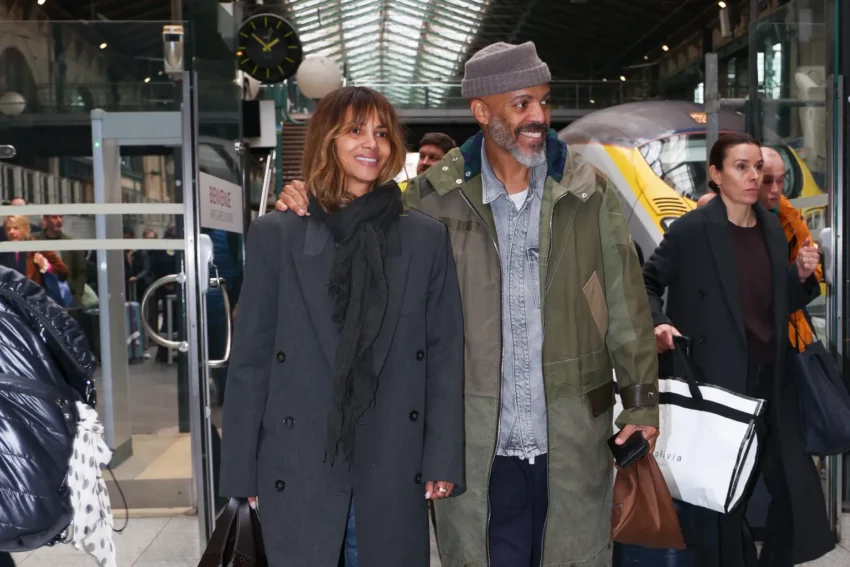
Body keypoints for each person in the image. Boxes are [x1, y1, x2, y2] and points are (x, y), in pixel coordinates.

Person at [276, 42, 660, 567]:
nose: (539, 117)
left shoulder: (589, 193)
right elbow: (355, 232)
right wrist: (309, 201)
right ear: (481, 111)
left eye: (544, 103)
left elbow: (627, 306)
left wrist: (640, 404)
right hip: (472, 443)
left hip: (573, 438)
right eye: (522, 104)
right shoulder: (427, 201)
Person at [219, 86, 465, 567]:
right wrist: (241, 470)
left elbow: (444, 354)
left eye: (381, 133)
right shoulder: (279, 234)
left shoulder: (424, 238)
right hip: (299, 458)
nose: (371, 143)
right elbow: (251, 360)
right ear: (327, 140)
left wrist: (442, 457)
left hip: (392, 459)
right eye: (355, 130)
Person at [642, 132, 833, 566]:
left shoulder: (768, 225)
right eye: (741, 167)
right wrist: (660, 321)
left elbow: (774, 300)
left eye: (757, 168)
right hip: (717, 378)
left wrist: (802, 276)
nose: (753, 176)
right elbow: (647, 280)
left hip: (772, 374)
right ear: (715, 175)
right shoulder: (692, 230)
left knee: (794, 491)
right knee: (722, 494)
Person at [759, 146, 823, 350]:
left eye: (781, 180)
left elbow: (814, 275)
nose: (776, 189)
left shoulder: (790, 217)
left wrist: (802, 271)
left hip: (789, 335)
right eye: (767, 181)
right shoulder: (726, 216)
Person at [0, 215, 68, 289]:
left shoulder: (38, 247)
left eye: (16, 228)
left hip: (32, 296)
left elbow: (63, 272)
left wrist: (47, 267)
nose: (11, 232)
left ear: (26, 228)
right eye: (8, 229)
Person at [33, 214, 86, 306]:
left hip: (66, 295)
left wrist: (77, 295)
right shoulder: (35, 240)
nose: (59, 220)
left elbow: (81, 271)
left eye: (61, 217)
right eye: (54, 217)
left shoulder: (71, 243)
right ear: (45, 220)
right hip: (41, 294)